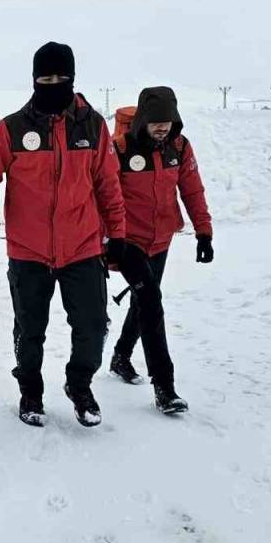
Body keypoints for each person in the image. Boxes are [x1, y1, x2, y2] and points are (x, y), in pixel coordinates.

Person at [0, 41, 127, 428]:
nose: (53, 83)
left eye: (60, 78)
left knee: (92, 325)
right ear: (34, 79)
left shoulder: (93, 127)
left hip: (83, 247)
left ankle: (80, 385)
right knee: (30, 329)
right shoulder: (13, 127)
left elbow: (108, 185)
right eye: (45, 77)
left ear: (72, 79)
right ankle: (31, 392)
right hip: (29, 250)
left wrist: (118, 236)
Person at [108, 86, 213, 414]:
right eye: (155, 121)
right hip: (129, 241)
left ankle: (121, 356)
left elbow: (192, 189)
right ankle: (164, 387)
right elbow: (104, 195)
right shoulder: (121, 149)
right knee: (152, 301)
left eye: (167, 121)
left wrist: (203, 231)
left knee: (144, 300)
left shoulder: (179, 147)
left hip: (162, 238)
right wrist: (107, 239)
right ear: (142, 119)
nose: (161, 127)